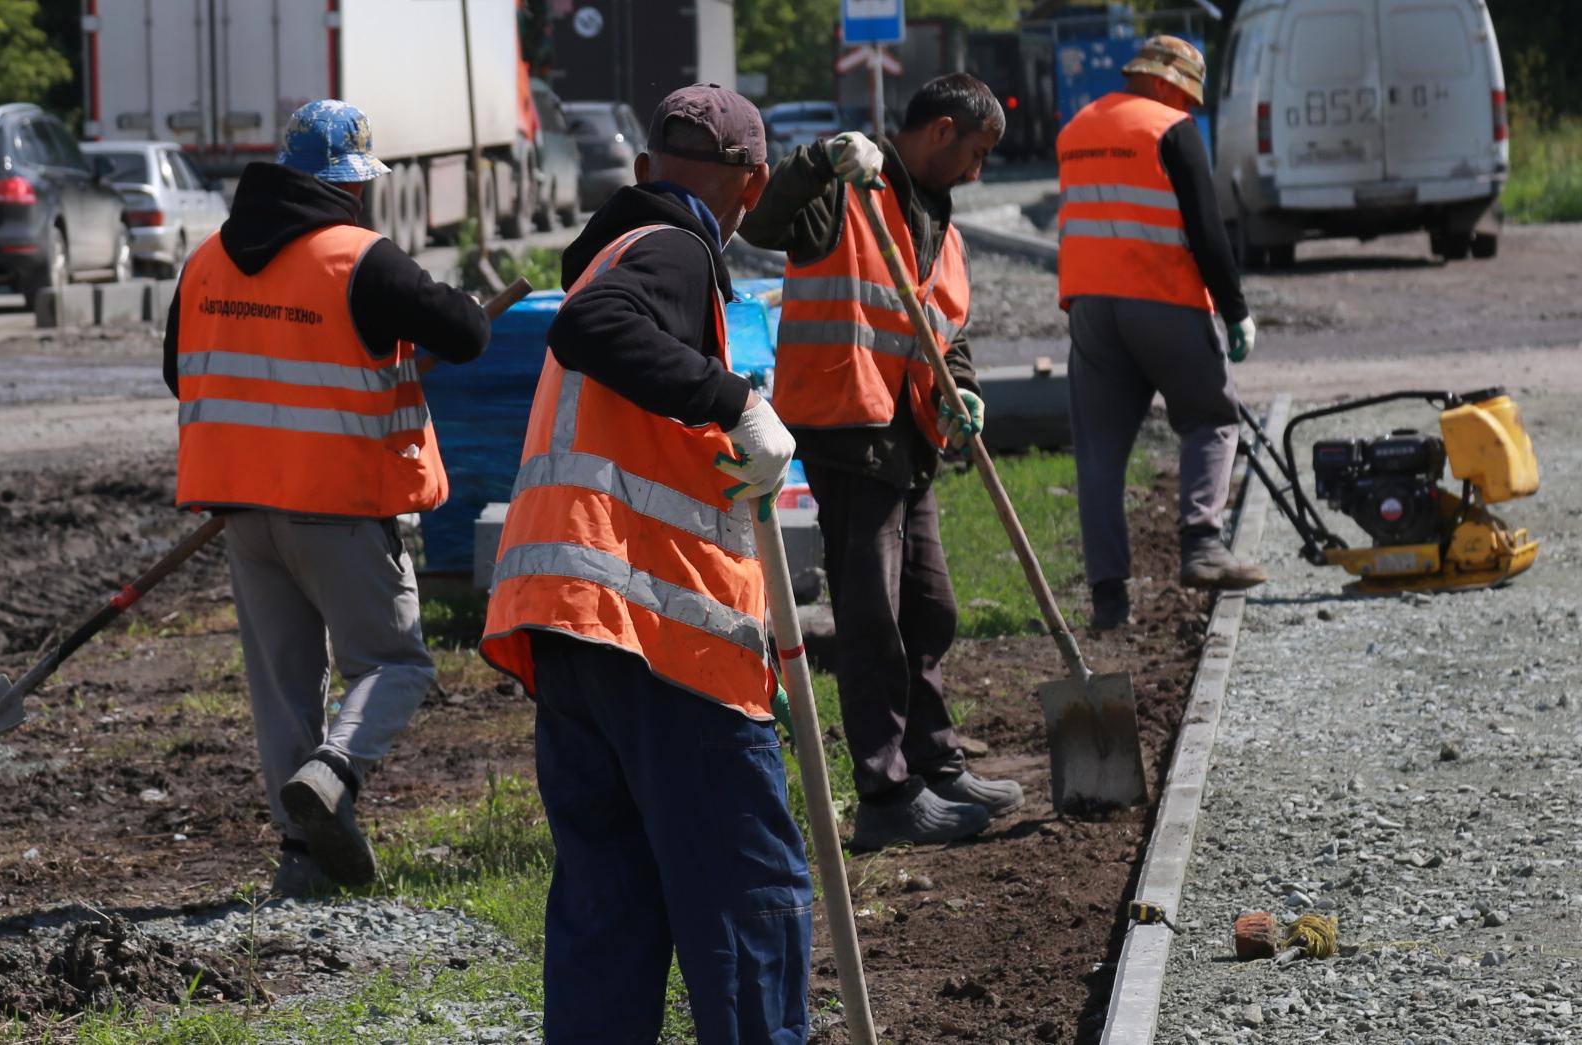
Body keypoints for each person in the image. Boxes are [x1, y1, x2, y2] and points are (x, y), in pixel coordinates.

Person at [477, 85, 810, 1043]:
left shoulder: (613, 250)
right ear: (754, 184)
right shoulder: (671, 249)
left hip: (571, 625)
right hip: (660, 638)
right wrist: (737, 401)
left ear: (640, 168)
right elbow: (594, 327)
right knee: (746, 891)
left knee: (610, 912)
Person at [163, 99, 492, 897]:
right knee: (395, 660)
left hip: (244, 511)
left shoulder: (206, 261)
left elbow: (180, 370)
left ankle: (300, 856)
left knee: (283, 685)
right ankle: (335, 770)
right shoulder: (361, 259)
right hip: (338, 505)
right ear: (351, 184)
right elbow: (467, 333)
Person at [737, 72, 1024, 851]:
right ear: (940, 131)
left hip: (908, 440)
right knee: (873, 619)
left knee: (929, 610)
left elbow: (946, 330)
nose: (978, 170)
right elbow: (762, 221)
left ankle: (936, 762)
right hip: (847, 430)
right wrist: (819, 160)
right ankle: (886, 793)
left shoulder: (941, 224)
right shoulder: (847, 193)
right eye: (976, 152)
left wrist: (964, 391)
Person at [1055, 35, 1268, 632]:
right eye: (1187, 94)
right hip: (1162, 300)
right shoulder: (1169, 129)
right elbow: (1206, 228)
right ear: (1164, 81)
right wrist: (1236, 310)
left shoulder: (1075, 130)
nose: (1191, 107)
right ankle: (1202, 545)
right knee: (1211, 418)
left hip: (1090, 309)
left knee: (1099, 454)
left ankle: (1109, 601)